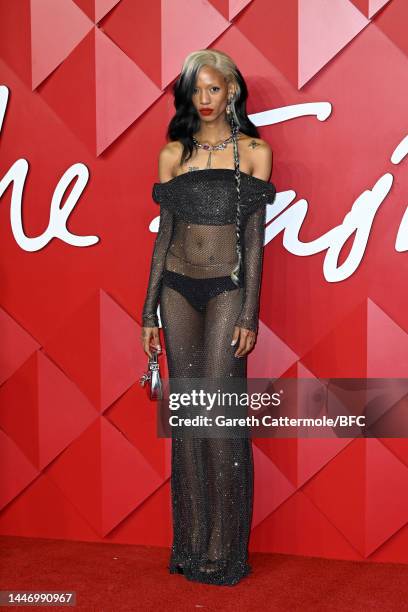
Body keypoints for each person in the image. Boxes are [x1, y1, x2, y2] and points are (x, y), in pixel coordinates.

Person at [141, 49, 276, 586]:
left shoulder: (255, 153)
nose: (205, 99)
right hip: (175, 288)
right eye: (197, 89)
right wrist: (146, 310)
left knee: (218, 419)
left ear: (233, 93)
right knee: (190, 423)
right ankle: (192, 547)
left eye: (214, 89)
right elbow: (162, 238)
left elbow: (254, 241)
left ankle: (226, 552)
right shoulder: (174, 153)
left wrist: (249, 311)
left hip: (227, 290)